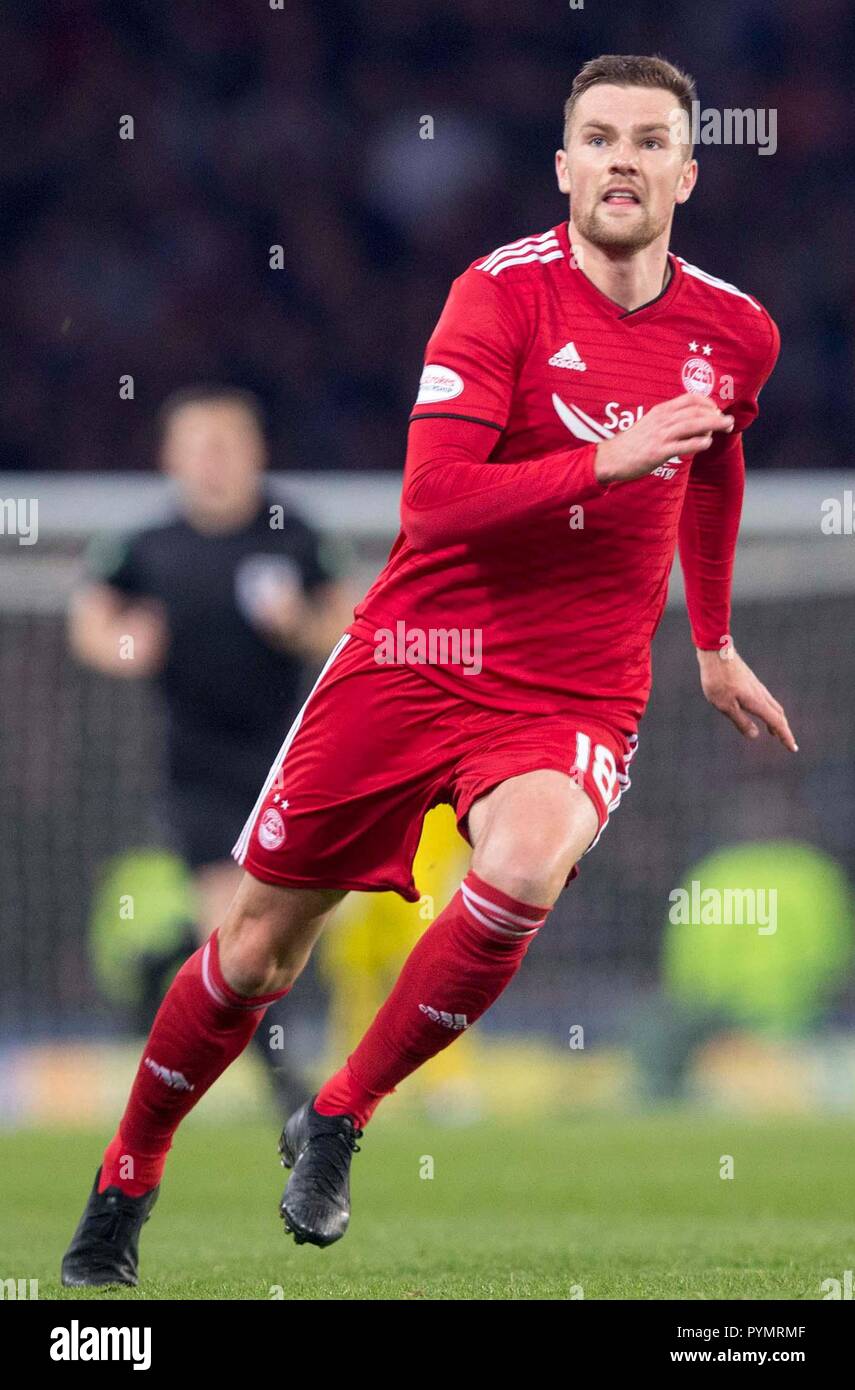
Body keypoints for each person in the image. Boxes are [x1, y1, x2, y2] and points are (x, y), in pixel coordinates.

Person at [62, 55, 797, 1284]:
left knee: (524, 865)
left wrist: (712, 641)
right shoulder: (496, 299)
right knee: (254, 953)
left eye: (650, 140)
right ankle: (126, 1176)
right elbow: (438, 502)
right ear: (563, 168)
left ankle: (338, 1118)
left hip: (573, 692)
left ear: (687, 170)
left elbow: (712, 468)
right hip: (415, 657)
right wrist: (604, 464)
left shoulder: (737, 331)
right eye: (599, 138)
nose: (623, 158)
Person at [68, 385, 349, 1115]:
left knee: (280, 925)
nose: (213, 461)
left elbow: (350, 622)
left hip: (292, 762)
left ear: (255, 452)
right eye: (198, 446)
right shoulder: (145, 545)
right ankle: (287, 1087)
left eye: (227, 444)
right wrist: (128, 644)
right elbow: (92, 622)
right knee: (238, 930)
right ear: (171, 457)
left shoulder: (293, 532)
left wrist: (298, 626)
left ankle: (158, 963)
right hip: (195, 767)